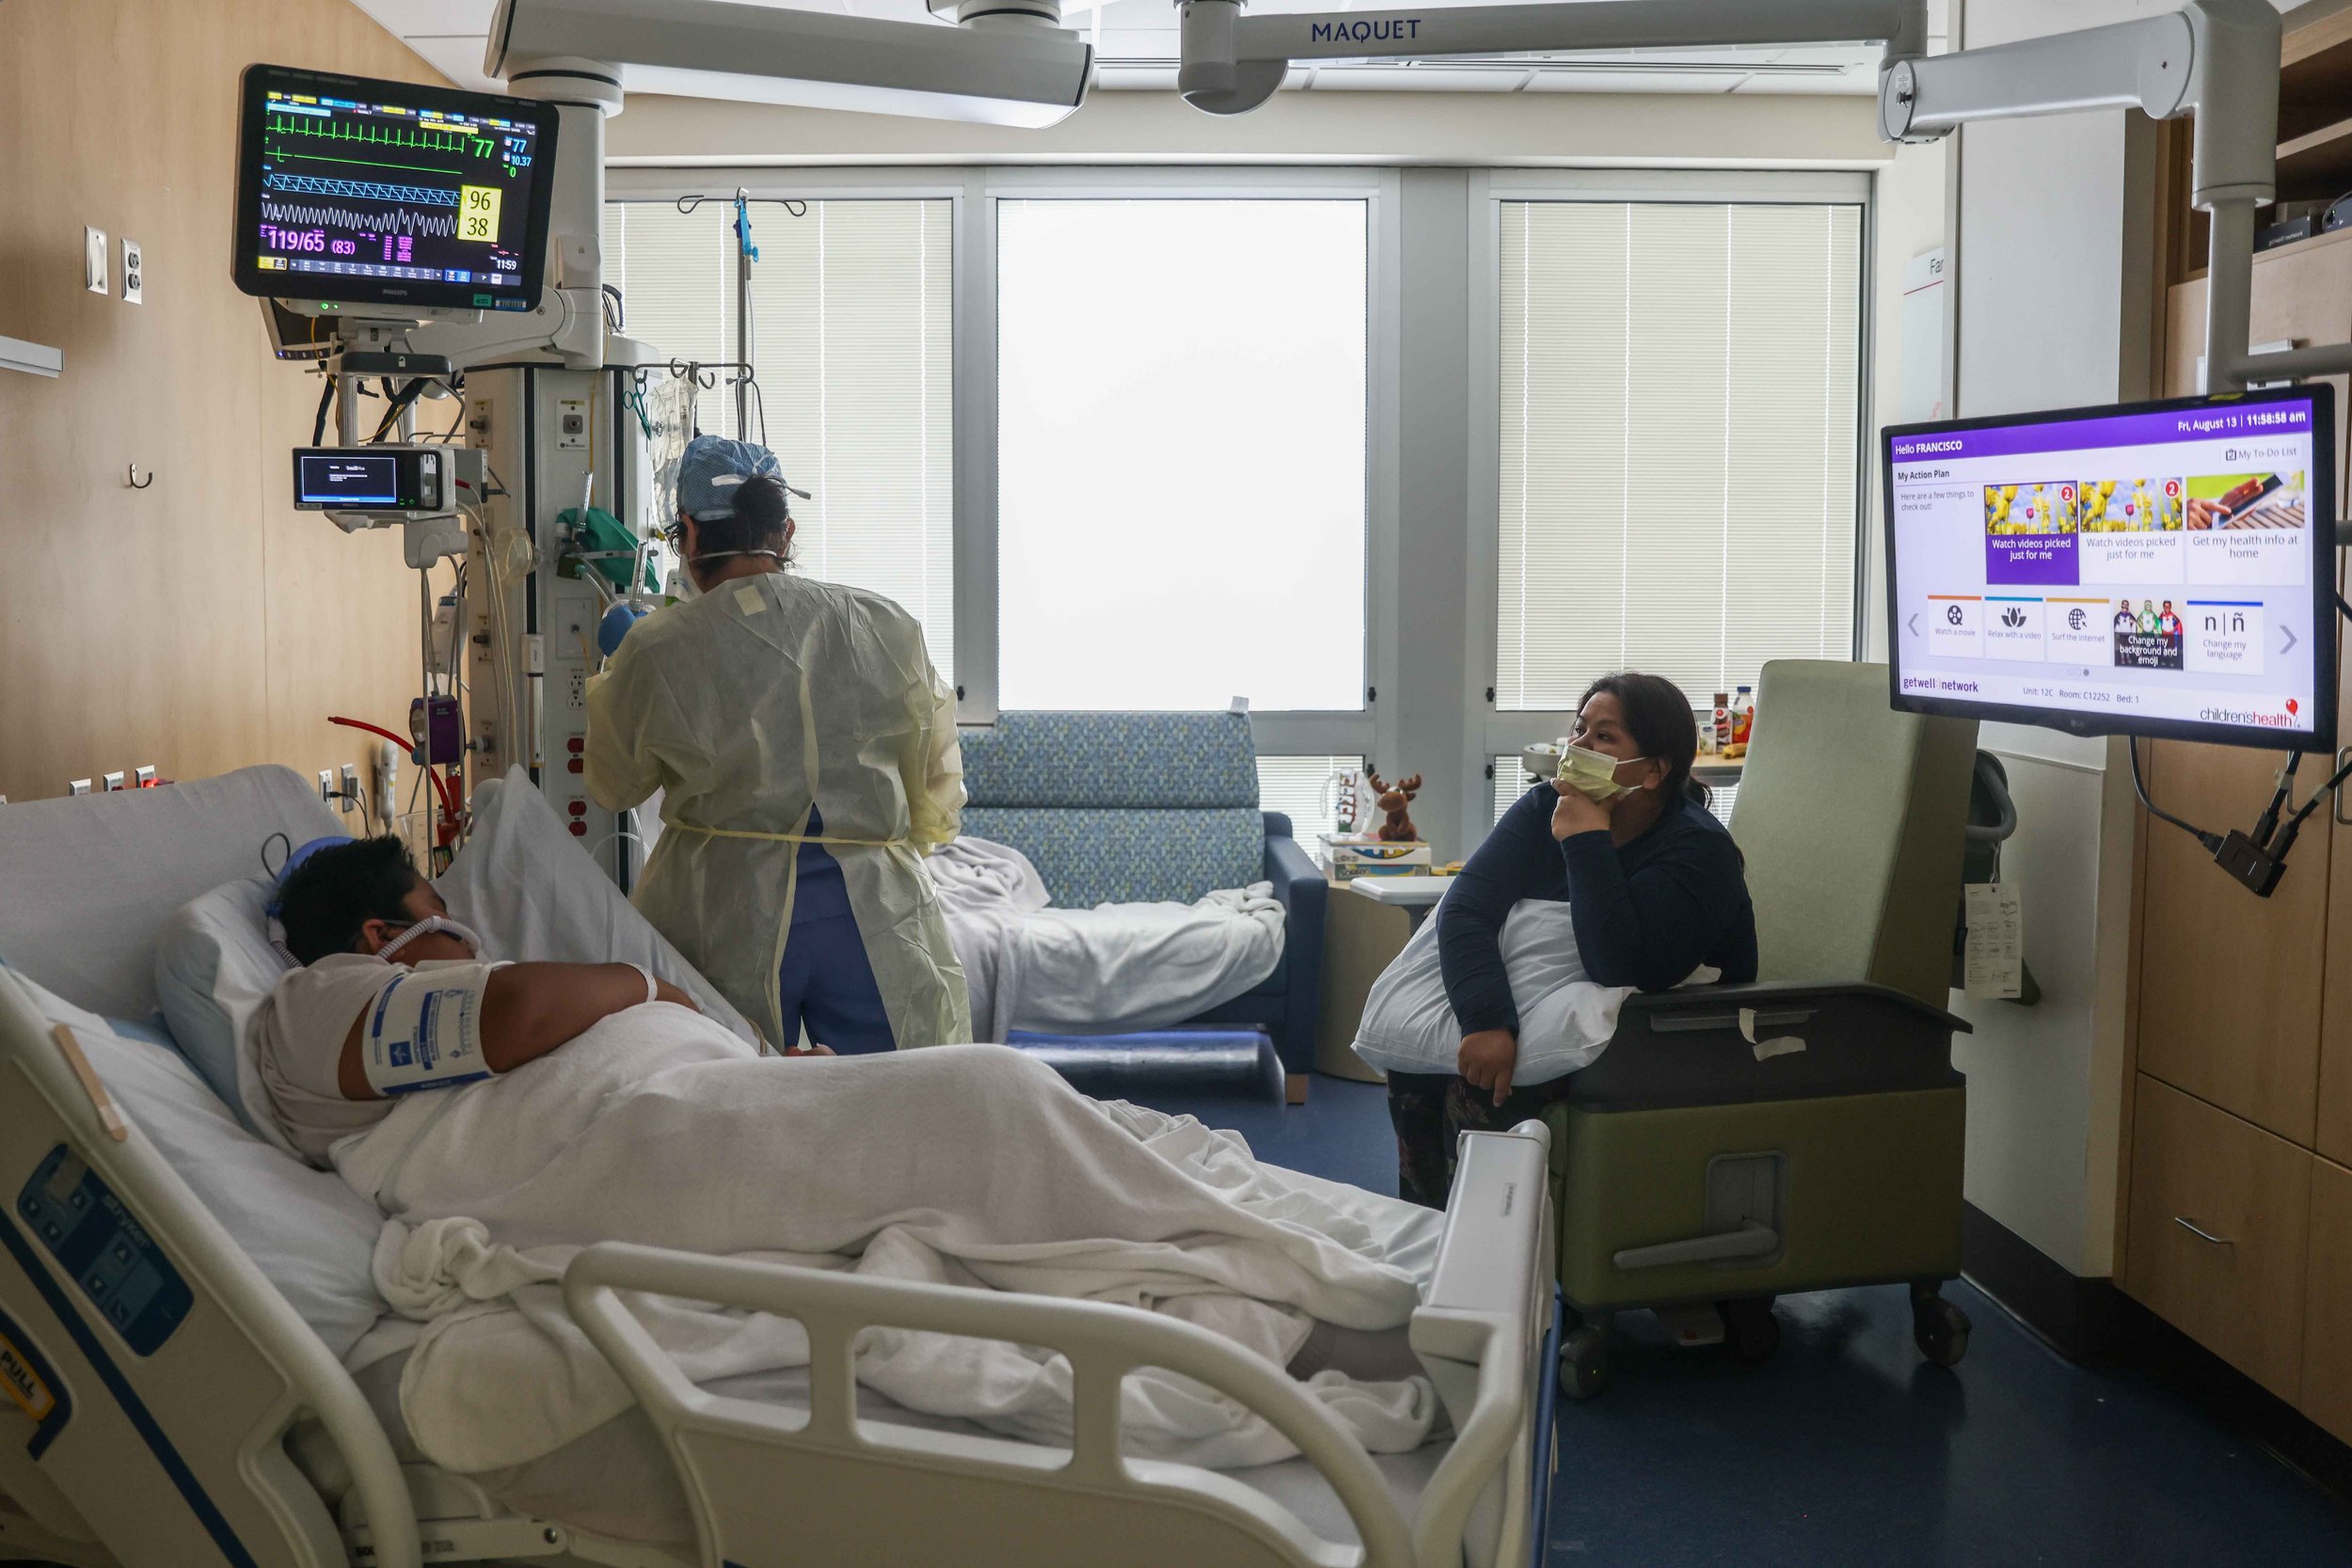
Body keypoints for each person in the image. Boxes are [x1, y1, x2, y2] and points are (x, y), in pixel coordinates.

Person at [584, 436, 969, 1053]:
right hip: (874, 908)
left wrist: (612, 675)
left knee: (734, 1109)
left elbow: (614, 783)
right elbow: (933, 787)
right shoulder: (885, 624)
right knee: (903, 1105)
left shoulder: (659, 647)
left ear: (687, 532)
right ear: (785, 532)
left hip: (725, 908)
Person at [1386, 672, 1757, 1209]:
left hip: (1671, 1026)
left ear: (1654, 771)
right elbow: (1467, 907)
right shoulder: (1544, 808)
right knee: (1416, 1061)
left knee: (1485, 1086)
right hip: (1569, 1001)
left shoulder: (1698, 852)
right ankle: (1428, 1243)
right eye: (1580, 730)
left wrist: (1586, 840)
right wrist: (1485, 1019)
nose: (1578, 747)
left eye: (1604, 738)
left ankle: (1493, 1264)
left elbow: (1620, 964)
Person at [253, 834, 838, 1164]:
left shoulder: (387, 1003)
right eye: (439, 910)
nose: (459, 927)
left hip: (721, 1104)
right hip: (676, 1133)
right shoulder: (318, 999)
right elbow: (516, 1011)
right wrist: (653, 988)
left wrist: (760, 1075)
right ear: (381, 935)